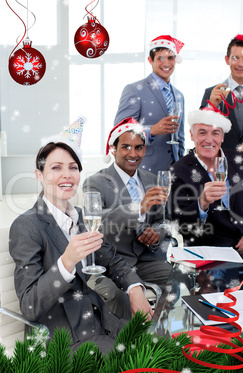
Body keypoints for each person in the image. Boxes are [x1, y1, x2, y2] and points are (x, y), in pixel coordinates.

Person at [9, 118, 153, 355]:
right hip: (65, 343)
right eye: (56, 168)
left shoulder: (85, 218)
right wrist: (66, 262)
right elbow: (30, 306)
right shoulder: (27, 226)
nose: (66, 175)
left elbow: (113, 260)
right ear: (39, 174)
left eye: (73, 167)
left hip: (106, 325)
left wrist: (136, 288)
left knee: (167, 341)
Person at [82, 117, 173, 309]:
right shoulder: (96, 182)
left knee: (178, 280)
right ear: (113, 149)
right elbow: (98, 223)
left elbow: (165, 221)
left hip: (147, 260)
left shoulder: (151, 179)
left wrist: (156, 234)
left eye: (139, 147)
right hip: (113, 263)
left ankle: (163, 333)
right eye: (126, 147)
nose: (133, 153)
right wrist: (138, 207)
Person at [170, 108, 243, 250]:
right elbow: (179, 223)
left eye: (215, 133)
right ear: (192, 135)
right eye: (202, 132)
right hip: (211, 249)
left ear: (222, 136)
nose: (209, 140)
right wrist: (201, 203)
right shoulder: (178, 170)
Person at [114, 35, 185, 174]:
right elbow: (120, 129)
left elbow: (180, 136)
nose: (166, 63)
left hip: (174, 171)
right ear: (150, 60)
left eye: (170, 58)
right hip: (145, 169)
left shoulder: (179, 95)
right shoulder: (135, 90)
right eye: (160, 58)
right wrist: (152, 130)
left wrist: (182, 163)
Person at [200, 19, 243, 161]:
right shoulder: (211, 92)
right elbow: (200, 132)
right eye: (235, 58)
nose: (240, 64)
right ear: (227, 59)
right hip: (221, 166)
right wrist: (211, 105)